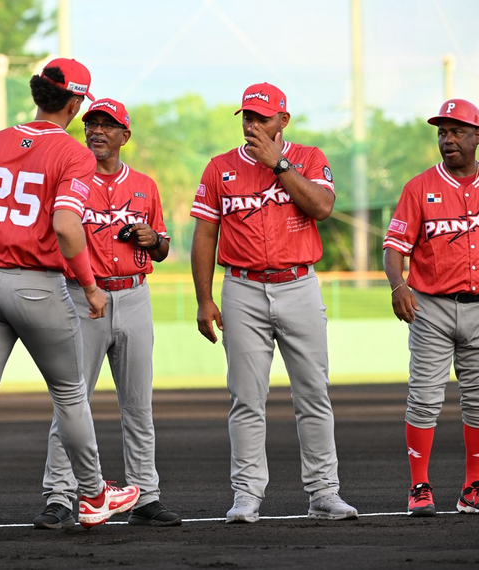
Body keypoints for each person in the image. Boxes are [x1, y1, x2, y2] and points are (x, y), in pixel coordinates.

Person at [0, 59, 140, 544]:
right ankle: (93, 495)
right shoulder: (73, 155)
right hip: (38, 285)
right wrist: (90, 286)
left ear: (39, 94)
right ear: (76, 103)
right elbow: (65, 227)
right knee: (69, 395)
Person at [190, 82, 358, 523]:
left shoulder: (310, 158)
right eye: (247, 116)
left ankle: (324, 493)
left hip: (299, 284)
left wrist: (279, 164)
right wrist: (204, 298)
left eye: (261, 117)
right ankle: (246, 495)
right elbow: (205, 234)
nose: (252, 124)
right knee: (246, 398)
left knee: (313, 395)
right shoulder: (219, 168)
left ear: (283, 121)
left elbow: (322, 207)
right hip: (242, 288)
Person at [382, 98, 479, 517]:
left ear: (476, 137)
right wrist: (398, 285)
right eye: (441, 132)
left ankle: (473, 488)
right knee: (425, 398)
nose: (446, 139)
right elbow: (393, 249)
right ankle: (419, 486)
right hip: (430, 307)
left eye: (455, 131)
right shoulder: (419, 187)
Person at [35, 98, 181, 529]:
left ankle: (145, 495)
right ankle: (60, 495)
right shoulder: (68, 180)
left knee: (138, 403)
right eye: (91, 124)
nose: (97, 131)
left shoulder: (144, 185)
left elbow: (164, 248)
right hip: (84, 297)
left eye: (107, 125)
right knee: (72, 400)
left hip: (134, 295)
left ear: (124, 136)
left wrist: (153, 237)